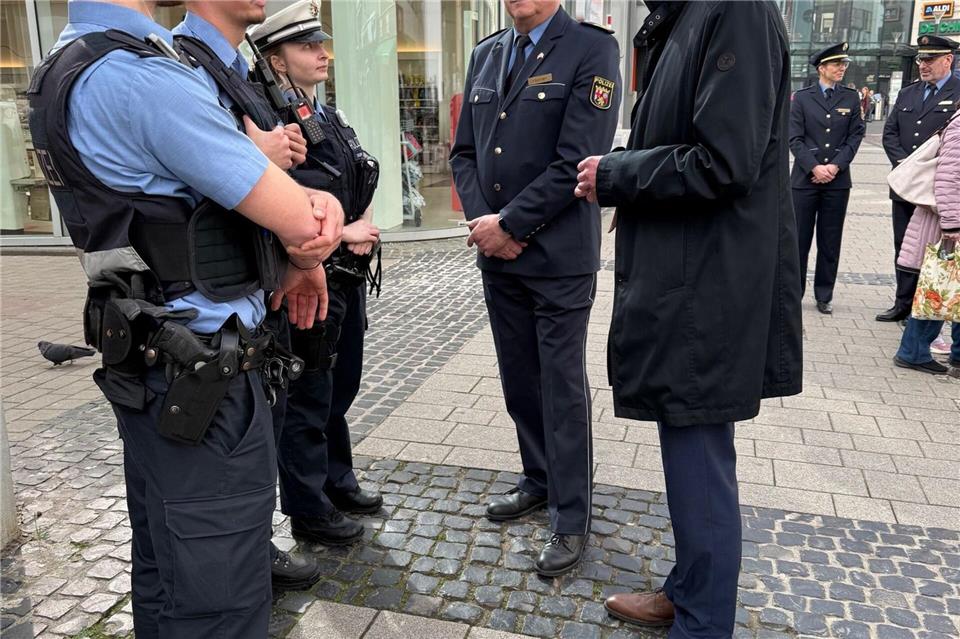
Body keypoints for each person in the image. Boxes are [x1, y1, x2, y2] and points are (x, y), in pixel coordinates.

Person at [28, 1, 342, 637]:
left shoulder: (65, 62)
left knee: (167, 571)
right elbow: (302, 221)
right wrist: (325, 204)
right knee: (220, 600)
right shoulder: (142, 76)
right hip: (204, 377)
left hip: (151, 359)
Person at [574, 1, 802, 636]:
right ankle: (690, 588)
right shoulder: (687, 17)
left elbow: (724, 160)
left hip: (710, 286)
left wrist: (615, 173)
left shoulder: (733, 11)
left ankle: (703, 623)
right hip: (692, 277)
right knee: (688, 447)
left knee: (699, 455)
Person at [450, 0, 621, 576]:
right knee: (519, 377)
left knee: (561, 383)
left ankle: (571, 516)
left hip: (558, 255)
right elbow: (466, 154)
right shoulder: (486, 52)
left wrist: (510, 225)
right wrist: (487, 227)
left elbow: (576, 159)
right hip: (500, 254)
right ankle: (538, 477)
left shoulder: (592, 48)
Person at [171, 0, 325, 592]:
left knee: (269, 427)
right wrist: (259, 155)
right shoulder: (180, 64)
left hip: (260, 281)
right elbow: (213, 175)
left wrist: (297, 258)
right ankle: (245, 557)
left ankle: (255, 545)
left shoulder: (239, 63)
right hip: (213, 300)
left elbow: (289, 167)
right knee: (225, 465)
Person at [248, 0, 384, 547]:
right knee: (309, 391)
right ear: (277, 61)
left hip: (344, 274)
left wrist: (362, 222)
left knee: (338, 385)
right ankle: (308, 506)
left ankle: (335, 477)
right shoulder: (272, 121)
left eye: (320, 43)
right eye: (307, 46)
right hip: (309, 274)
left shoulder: (322, 113)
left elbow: (359, 173)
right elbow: (278, 193)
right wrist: (343, 230)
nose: (322, 54)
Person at [878, 35, 959, 322]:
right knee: (904, 245)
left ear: (948, 59)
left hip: (938, 191)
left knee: (936, 249)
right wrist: (906, 166)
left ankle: (928, 308)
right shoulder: (908, 93)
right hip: (907, 186)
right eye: (920, 59)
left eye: (929, 59)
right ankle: (902, 302)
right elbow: (890, 133)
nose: (922, 65)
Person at [789, 42, 865, 314]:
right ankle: (793, 294)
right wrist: (814, 167)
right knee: (798, 241)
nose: (842, 68)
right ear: (822, 68)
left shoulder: (850, 97)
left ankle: (824, 294)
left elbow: (856, 135)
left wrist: (835, 166)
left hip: (837, 181)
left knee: (830, 241)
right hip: (804, 181)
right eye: (837, 64)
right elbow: (794, 138)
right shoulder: (802, 97)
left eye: (844, 64)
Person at [893, 106, 960, 375]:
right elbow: (948, 177)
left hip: (951, 218)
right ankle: (913, 352)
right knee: (939, 286)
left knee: (952, 288)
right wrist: (952, 223)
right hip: (949, 220)